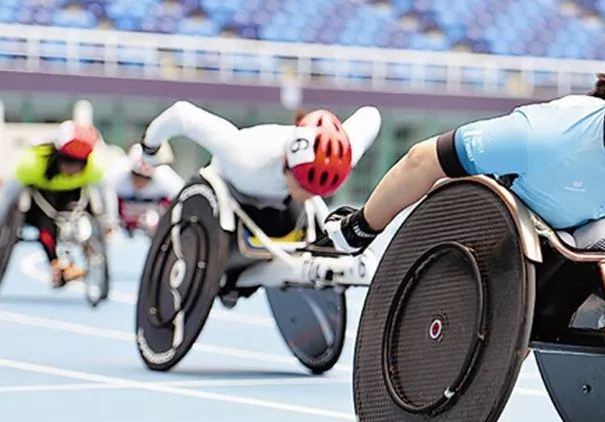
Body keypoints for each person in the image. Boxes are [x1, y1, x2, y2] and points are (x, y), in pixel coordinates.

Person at [323, 22, 605, 258]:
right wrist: (361, 228)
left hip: (570, 260)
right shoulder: (548, 135)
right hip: (483, 239)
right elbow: (422, 160)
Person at [138, 101, 381, 294]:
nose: (309, 195)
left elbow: (371, 116)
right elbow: (182, 114)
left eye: (318, 190)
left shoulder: (342, 153)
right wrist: (150, 149)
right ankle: (233, 277)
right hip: (229, 199)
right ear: (287, 163)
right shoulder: (244, 152)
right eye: (304, 186)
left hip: (279, 208)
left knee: (310, 220)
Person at [0, 120, 117, 286]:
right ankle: (58, 264)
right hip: (41, 201)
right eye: (67, 161)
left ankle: (88, 250)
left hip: (74, 197)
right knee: (45, 226)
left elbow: (107, 193)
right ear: (56, 156)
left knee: (85, 208)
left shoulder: (94, 166)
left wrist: (109, 221)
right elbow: (7, 196)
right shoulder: (32, 164)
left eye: (79, 164)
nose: (72, 169)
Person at [113, 143, 185, 236]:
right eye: (136, 176)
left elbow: (182, 201)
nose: (140, 182)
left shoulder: (167, 182)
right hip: (123, 233)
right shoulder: (117, 179)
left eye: (145, 178)